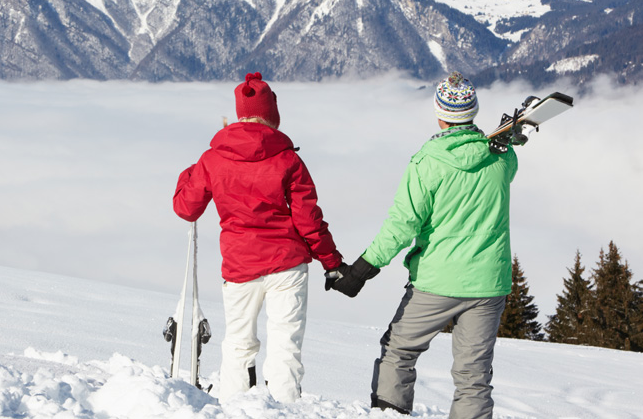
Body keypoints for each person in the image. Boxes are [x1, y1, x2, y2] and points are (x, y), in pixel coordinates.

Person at [326, 72, 518, 418]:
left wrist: (360, 271)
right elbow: (504, 165)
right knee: (474, 378)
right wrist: (506, 139)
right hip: (489, 284)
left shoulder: (428, 162)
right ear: (473, 111)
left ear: (439, 113)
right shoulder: (501, 158)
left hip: (436, 281)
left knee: (397, 352)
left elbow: (401, 225)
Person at [173, 72, 344, 404]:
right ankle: (284, 409)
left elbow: (186, 208)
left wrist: (190, 172)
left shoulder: (213, 158)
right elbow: (309, 221)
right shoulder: (289, 159)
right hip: (288, 265)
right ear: (272, 113)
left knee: (238, 343)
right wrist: (332, 262)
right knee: (285, 346)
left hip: (240, 265)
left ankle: (235, 407)